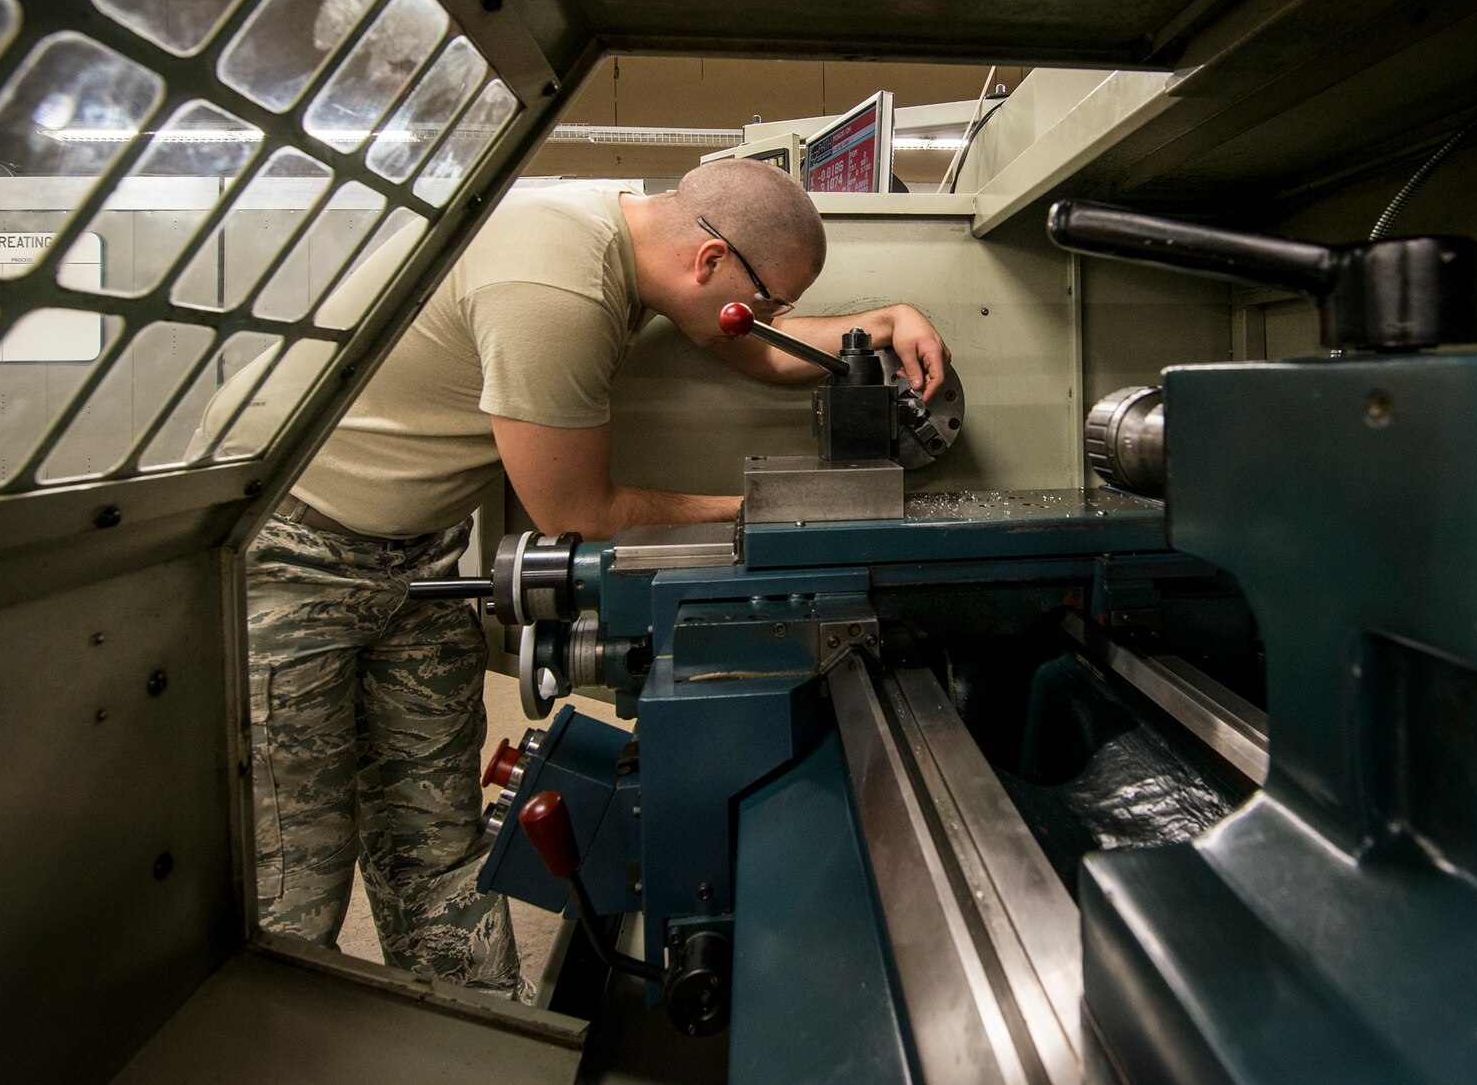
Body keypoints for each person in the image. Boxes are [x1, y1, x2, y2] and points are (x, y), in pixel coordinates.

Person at [202, 158, 950, 997]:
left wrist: (884, 323)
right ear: (709, 263)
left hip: (412, 551)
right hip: (287, 543)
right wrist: (768, 511)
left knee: (435, 839)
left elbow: (749, 346)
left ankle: (477, 1036)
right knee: (291, 866)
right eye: (768, 300)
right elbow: (582, 513)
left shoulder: (633, 240)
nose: (766, 320)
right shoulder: (554, 283)